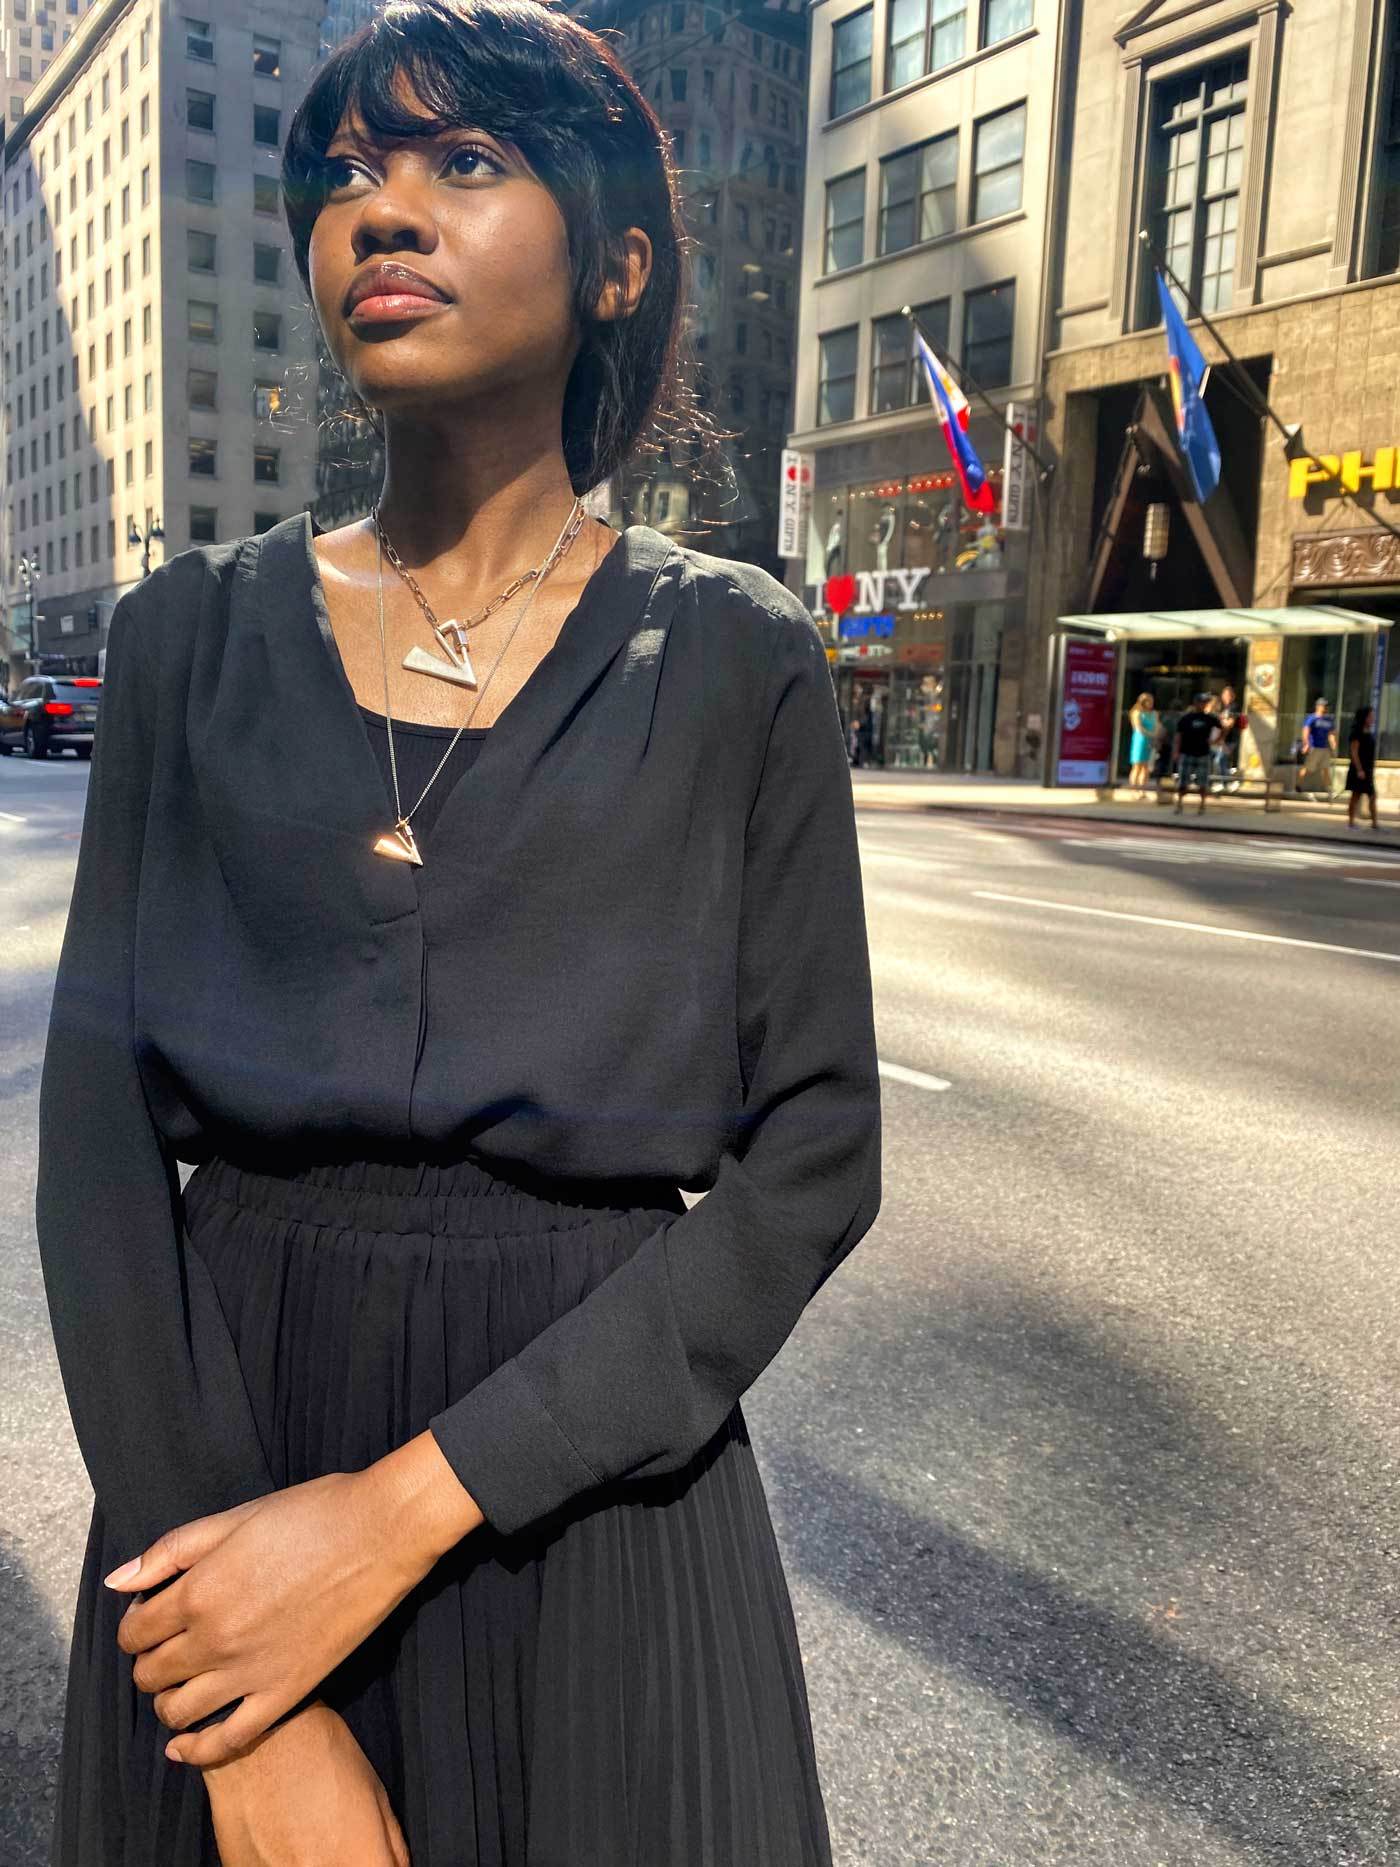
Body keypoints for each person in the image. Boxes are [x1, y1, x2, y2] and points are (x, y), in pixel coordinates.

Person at [34, 7, 882, 1864]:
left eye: (463, 163)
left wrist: (403, 1508)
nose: (381, 212)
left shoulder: (741, 657)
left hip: (588, 1494)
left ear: (620, 263)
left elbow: (815, 1155)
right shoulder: (184, 637)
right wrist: (233, 1685)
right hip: (225, 1443)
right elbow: (95, 1136)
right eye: (342, 175)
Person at [1173, 690, 1220, 814]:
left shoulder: (1210, 718)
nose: (1203, 705)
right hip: (1186, 752)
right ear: (1195, 703)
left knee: (1203, 782)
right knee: (1183, 781)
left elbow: (1222, 727)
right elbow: (1179, 735)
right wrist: (1176, 751)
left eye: (1205, 703)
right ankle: (1179, 804)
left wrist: (1216, 740)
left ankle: (1202, 805)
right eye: (1201, 702)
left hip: (1203, 753)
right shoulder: (1186, 718)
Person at [1346, 703, 1379, 831]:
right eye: (1371, 716)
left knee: (1373, 795)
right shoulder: (1357, 732)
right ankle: (1351, 822)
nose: (1373, 719)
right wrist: (1359, 769)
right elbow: (1354, 752)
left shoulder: (1368, 732)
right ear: (1365, 718)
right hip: (1359, 770)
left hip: (1368, 769)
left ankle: (1375, 823)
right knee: (1356, 796)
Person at [1299, 694, 1338, 794]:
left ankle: (1329, 789)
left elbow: (1331, 733)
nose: (1325, 708)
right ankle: (1298, 785)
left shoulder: (1329, 720)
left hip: (1324, 748)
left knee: (1325, 768)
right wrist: (1306, 743)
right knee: (1307, 767)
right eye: (1324, 706)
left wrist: (1333, 745)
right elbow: (1305, 731)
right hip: (1314, 747)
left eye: (1326, 706)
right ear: (1318, 706)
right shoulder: (1312, 718)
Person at [1127, 690, 1158, 794]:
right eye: (1148, 701)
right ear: (1143, 702)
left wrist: (1155, 735)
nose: (1151, 703)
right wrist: (1151, 734)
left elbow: (1157, 725)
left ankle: (1143, 790)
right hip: (1140, 740)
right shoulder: (1137, 712)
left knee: (1146, 767)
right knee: (1137, 765)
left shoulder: (1154, 713)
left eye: (1152, 701)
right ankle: (1134, 789)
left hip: (1151, 741)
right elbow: (1138, 727)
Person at [1213, 684, 1243, 784]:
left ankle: (1227, 781)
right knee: (1221, 761)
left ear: (1233, 696)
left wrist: (1221, 722)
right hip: (1223, 739)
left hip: (1230, 739)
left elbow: (1230, 723)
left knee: (1220, 759)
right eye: (1225, 695)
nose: (1226, 697)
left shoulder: (1233, 707)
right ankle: (1225, 782)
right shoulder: (1224, 708)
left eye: (1229, 695)